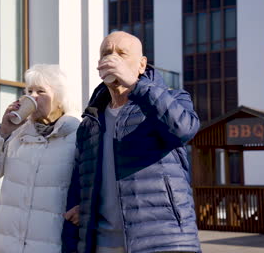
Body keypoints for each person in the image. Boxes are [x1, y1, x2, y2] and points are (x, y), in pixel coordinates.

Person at [62, 31, 202, 253]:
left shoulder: (172, 98)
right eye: (107, 53)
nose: (113, 58)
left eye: (122, 53)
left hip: (163, 242)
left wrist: (136, 86)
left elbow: (184, 130)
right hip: (103, 243)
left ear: (141, 64)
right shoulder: (90, 121)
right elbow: (80, 182)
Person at [0, 64, 80, 253]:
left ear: (60, 99)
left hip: (49, 246)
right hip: (5, 245)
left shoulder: (77, 136)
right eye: (29, 91)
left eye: (40, 91)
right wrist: (3, 130)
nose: (32, 96)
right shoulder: (16, 135)